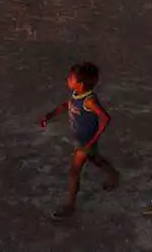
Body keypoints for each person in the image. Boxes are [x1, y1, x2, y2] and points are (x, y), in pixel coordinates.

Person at [39, 62, 119, 220]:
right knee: (95, 158)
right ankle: (113, 175)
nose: (67, 79)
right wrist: (51, 114)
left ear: (80, 84)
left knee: (74, 172)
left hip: (84, 143)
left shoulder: (89, 101)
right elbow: (68, 105)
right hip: (81, 141)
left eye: (71, 78)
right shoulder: (77, 94)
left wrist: (94, 138)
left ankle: (70, 205)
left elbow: (104, 118)